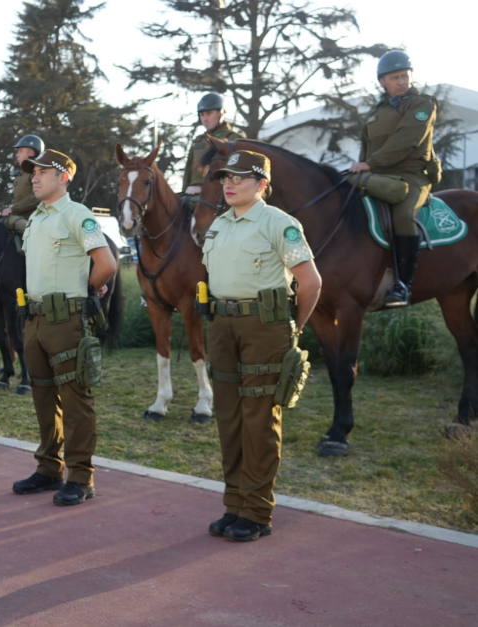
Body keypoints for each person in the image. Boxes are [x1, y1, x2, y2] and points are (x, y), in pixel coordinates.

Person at [201, 150, 321, 542]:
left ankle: (256, 511)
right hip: (221, 325)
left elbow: (310, 282)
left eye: (238, 177)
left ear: (263, 184)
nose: (229, 184)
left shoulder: (279, 223)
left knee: (258, 417)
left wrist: (293, 328)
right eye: (224, 178)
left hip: (264, 326)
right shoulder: (219, 224)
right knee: (228, 416)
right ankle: (234, 503)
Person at [11, 149, 117, 507]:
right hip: (36, 318)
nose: (34, 178)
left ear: (64, 177)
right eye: (32, 172)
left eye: (42, 172)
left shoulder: (76, 214)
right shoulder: (38, 218)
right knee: (43, 397)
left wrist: (86, 289)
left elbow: (105, 264)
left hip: (67, 319)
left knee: (75, 399)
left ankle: (81, 476)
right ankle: (49, 467)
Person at [351, 51, 437, 308]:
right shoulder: (376, 114)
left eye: (404, 76)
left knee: (403, 213)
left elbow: (407, 139)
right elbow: (365, 153)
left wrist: (371, 164)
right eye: (394, 77)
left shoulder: (423, 104)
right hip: (377, 177)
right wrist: (362, 171)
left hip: (412, 176)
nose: (401, 81)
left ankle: (402, 285)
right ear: (382, 82)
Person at [183, 93, 244, 197]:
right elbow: (188, 172)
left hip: (221, 195)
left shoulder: (234, 139)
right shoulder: (198, 141)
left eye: (209, 113)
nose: (205, 118)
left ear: (221, 113)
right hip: (193, 194)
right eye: (202, 115)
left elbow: (240, 173)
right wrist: (185, 193)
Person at [0, 134, 43, 220]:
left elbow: (37, 197)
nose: (17, 155)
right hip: (20, 217)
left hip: (32, 220)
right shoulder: (23, 173)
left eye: (20, 151)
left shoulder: (37, 173)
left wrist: (13, 209)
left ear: (31, 153)